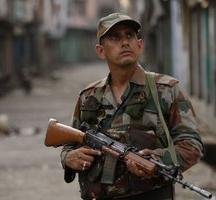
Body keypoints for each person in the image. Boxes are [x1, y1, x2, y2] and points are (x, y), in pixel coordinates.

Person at [60, 12, 203, 200]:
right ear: (101, 51)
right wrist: (68, 159)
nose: (125, 42)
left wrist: (157, 161)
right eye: (115, 37)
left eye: (129, 35)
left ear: (139, 45)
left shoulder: (166, 90)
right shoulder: (89, 96)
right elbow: (69, 145)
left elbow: (192, 144)